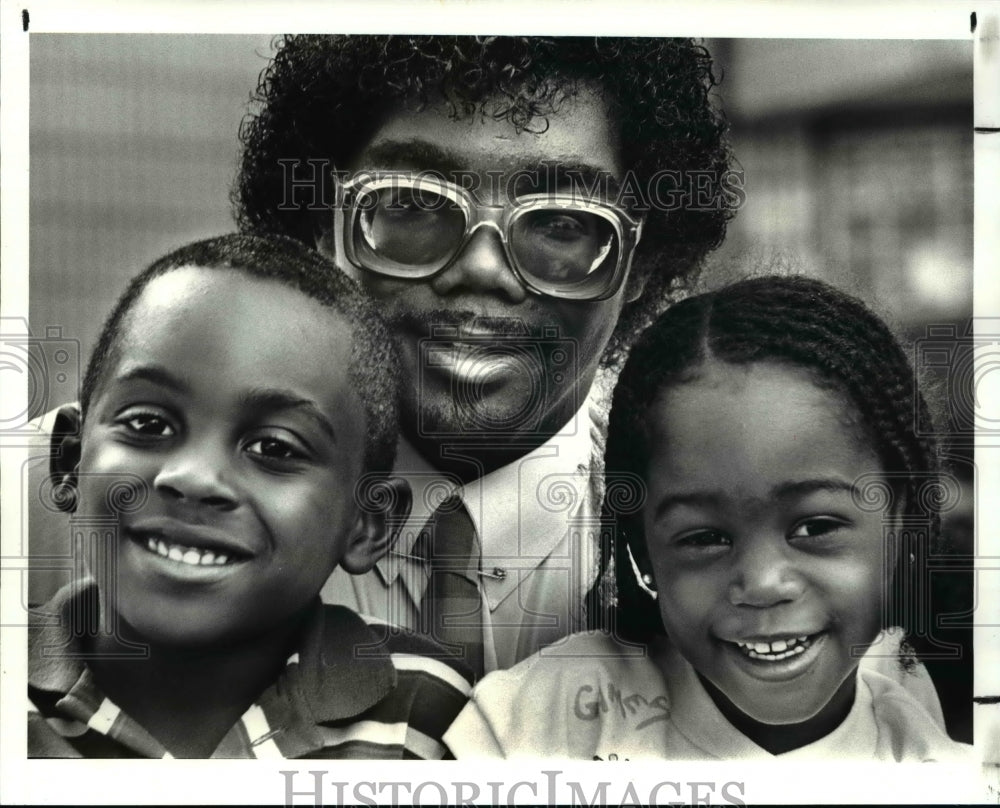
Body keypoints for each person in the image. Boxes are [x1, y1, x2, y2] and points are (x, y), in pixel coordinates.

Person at [229, 35, 737, 675]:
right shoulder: (115, 487)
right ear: (318, 223)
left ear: (644, 261)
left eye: (561, 222)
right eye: (412, 202)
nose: (481, 268)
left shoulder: (732, 535)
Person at [444, 275, 968, 760]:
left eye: (815, 528)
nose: (762, 584)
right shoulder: (538, 722)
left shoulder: (934, 763)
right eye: (705, 538)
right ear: (643, 547)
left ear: (903, 521)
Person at [28, 234, 472, 759]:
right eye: (148, 423)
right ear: (69, 461)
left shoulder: (428, 715)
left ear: (368, 522)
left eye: (273, 448)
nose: (193, 478)